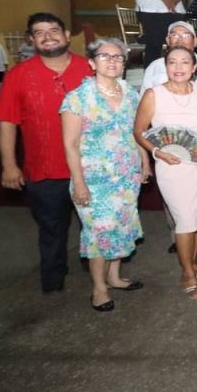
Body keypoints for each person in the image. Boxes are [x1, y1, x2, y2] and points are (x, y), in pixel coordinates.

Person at [0, 12, 94, 293]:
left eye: (53, 30)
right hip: (45, 169)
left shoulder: (90, 69)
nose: (48, 36)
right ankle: (53, 277)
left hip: (92, 167)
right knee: (51, 229)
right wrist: (9, 165)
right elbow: (7, 123)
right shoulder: (18, 76)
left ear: (66, 34)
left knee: (96, 225)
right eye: (40, 32)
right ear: (31, 39)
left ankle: (99, 273)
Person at [60, 38, 147, 312]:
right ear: (92, 62)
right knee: (99, 233)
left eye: (118, 57)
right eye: (105, 56)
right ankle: (99, 289)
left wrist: (145, 162)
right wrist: (80, 184)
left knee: (121, 226)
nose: (112, 61)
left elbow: (137, 133)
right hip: (94, 180)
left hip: (126, 175)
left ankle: (115, 277)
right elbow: (70, 144)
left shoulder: (130, 93)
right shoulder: (78, 97)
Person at [134, 47, 197, 300]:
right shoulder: (154, 94)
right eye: (172, 62)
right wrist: (157, 153)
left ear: (194, 67)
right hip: (172, 163)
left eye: (185, 62)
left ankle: (193, 263)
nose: (179, 66)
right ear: (166, 66)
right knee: (185, 220)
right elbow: (139, 131)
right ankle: (186, 272)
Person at [139, 21, 197, 250]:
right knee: (178, 202)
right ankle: (180, 234)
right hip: (167, 140)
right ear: (167, 41)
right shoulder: (155, 67)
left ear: (195, 41)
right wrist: (151, 153)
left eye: (185, 35)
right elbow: (142, 117)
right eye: (174, 35)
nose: (179, 39)